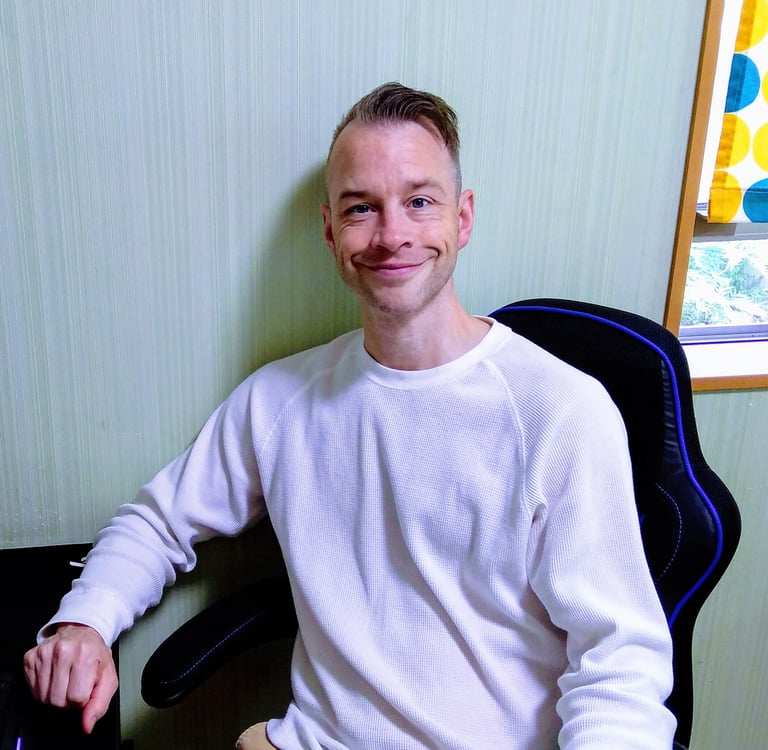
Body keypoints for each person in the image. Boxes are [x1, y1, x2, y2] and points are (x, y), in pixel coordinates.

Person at [24, 82, 677, 749]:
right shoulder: (279, 401)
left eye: (420, 202)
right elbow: (157, 522)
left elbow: (618, 665)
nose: (392, 235)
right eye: (362, 208)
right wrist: (84, 623)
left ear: (463, 218)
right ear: (331, 232)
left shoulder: (558, 412)